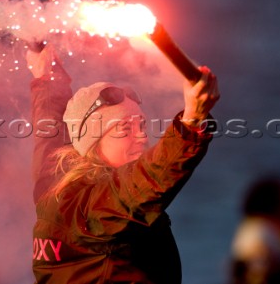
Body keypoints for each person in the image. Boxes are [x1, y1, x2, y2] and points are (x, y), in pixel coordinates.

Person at [26, 45, 219, 284]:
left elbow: (50, 131)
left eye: (141, 125)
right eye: (125, 128)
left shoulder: (53, 182)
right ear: (94, 143)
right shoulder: (95, 207)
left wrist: (47, 77)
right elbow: (150, 178)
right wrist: (191, 121)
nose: (142, 136)